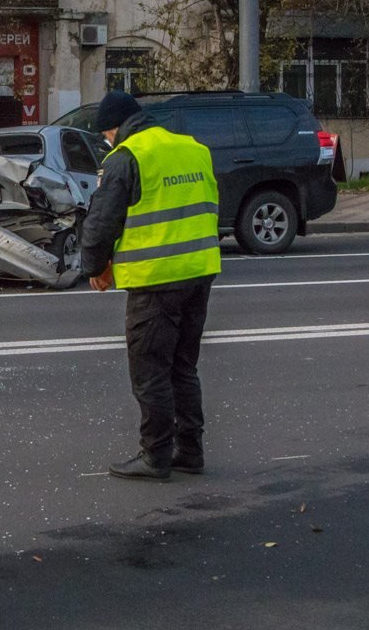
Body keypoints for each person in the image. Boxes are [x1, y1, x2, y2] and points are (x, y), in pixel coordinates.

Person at [80, 91, 221, 481]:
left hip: (156, 279)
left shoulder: (125, 158)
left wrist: (94, 266)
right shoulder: (192, 149)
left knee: (150, 372)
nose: (107, 140)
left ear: (114, 128)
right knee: (182, 366)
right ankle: (189, 450)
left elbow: (101, 221)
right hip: (199, 270)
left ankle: (155, 456)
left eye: (106, 134)